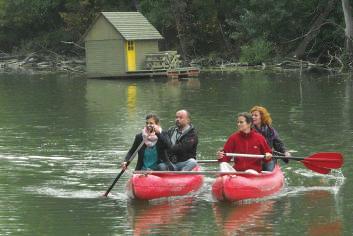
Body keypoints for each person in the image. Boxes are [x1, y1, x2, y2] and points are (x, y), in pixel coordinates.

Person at [250, 106, 290, 171]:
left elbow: (278, 144)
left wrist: (285, 152)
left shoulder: (271, 131)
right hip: (252, 158)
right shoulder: (248, 130)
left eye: (255, 115)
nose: (253, 117)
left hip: (268, 157)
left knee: (268, 168)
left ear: (262, 117)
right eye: (252, 115)